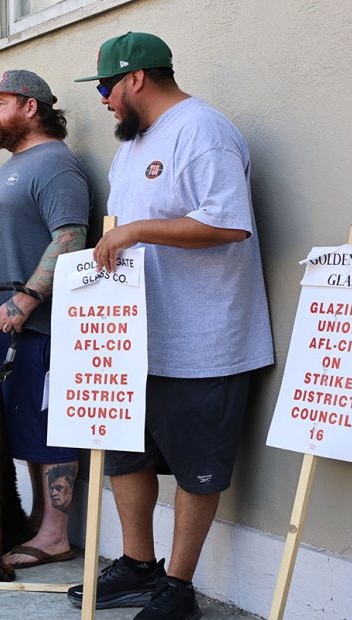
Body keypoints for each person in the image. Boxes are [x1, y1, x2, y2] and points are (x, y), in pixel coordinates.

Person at [66, 33, 275, 619]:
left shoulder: (203, 131)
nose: (103, 100)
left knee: (195, 465)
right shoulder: (132, 146)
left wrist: (135, 232)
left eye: (106, 87)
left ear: (136, 79)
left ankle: (178, 588)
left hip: (203, 339)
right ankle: (138, 566)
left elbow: (229, 224)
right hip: (138, 338)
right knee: (126, 454)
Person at [0, 70, 90, 569]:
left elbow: (70, 237)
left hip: (32, 328)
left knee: (46, 429)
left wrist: (26, 300)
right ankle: (42, 523)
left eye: (1, 102)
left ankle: (57, 534)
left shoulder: (55, 165)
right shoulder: (17, 165)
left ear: (31, 107)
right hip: (0, 331)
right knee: (25, 433)